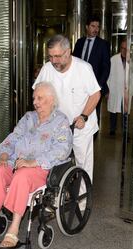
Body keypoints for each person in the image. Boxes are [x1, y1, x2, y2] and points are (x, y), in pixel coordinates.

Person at [0, 81, 72, 249]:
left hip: (41, 168)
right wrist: (3, 154)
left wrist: (33, 162)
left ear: (52, 100)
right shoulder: (28, 118)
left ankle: (14, 229)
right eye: (34, 98)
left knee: (22, 175)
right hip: (16, 162)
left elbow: (63, 149)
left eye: (40, 98)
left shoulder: (60, 121)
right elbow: (13, 137)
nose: (35, 102)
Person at [33, 34, 100, 182]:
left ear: (68, 52)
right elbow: (37, 92)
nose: (54, 61)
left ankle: (83, 202)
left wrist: (84, 116)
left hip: (81, 125)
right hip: (56, 127)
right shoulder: (47, 68)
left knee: (83, 165)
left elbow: (95, 95)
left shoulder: (83, 68)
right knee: (54, 162)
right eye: (50, 57)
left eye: (57, 56)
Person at [72, 15, 110, 123]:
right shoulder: (79, 42)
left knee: (93, 114)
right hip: (79, 85)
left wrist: (99, 85)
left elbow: (106, 67)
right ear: (87, 27)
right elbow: (74, 62)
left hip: (95, 86)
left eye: (98, 27)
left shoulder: (103, 44)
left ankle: (93, 137)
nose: (96, 29)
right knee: (78, 109)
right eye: (93, 26)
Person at [107, 39, 129, 136]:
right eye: (122, 48)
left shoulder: (131, 60)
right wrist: (108, 90)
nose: (124, 50)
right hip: (114, 89)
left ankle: (125, 131)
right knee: (113, 111)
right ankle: (112, 129)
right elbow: (108, 75)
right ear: (120, 48)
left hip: (126, 90)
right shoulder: (113, 59)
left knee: (125, 112)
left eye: (126, 48)